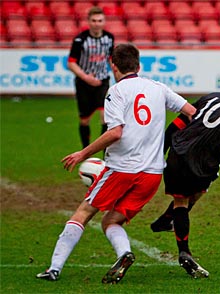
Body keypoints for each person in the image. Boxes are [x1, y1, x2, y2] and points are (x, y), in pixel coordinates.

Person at [36, 43, 196, 283]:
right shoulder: (158, 87)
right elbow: (191, 112)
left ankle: (54, 269)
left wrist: (83, 153)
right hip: (152, 173)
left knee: (83, 212)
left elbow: (115, 133)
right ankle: (124, 253)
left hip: (122, 169)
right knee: (111, 220)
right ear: (139, 65)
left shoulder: (116, 91)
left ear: (113, 65)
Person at [150, 72, 220, 278]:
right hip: (204, 163)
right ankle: (184, 251)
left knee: (183, 199)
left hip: (178, 152)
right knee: (187, 199)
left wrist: (161, 153)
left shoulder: (210, 97)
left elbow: (176, 125)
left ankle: (166, 220)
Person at [68, 6, 114, 148]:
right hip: (83, 83)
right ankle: (86, 149)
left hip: (102, 81)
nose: (96, 23)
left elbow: (111, 59)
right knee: (84, 120)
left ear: (104, 21)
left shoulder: (109, 38)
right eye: (93, 20)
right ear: (88, 22)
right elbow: (71, 63)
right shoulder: (79, 40)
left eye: (99, 20)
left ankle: (104, 152)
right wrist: (85, 76)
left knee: (105, 117)